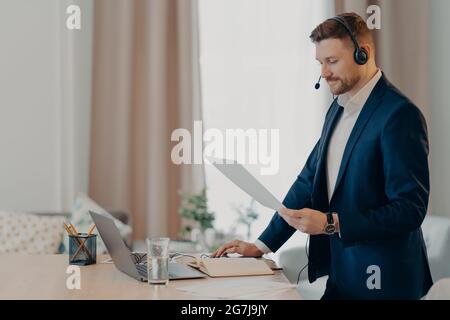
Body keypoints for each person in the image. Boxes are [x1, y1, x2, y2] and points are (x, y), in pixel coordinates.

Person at [212, 12, 433, 300]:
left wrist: (331, 222)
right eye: (320, 63)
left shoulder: (399, 115)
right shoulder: (337, 108)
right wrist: (262, 245)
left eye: (332, 61)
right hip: (343, 274)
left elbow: (410, 209)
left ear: (362, 54)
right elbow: (307, 181)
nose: (324, 73)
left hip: (385, 282)